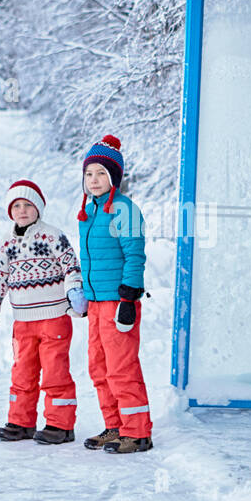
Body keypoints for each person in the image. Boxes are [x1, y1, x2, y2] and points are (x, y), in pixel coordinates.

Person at [0, 179, 88, 444]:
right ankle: (21, 422)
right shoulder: (6, 243)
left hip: (53, 318)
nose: (22, 210)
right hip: (23, 322)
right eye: (16, 206)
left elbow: (70, 266)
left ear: (38, 208)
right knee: (22, 373)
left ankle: (60, 425)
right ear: (10, 211)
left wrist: (74, 291)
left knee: (55, 373)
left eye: (28, 205)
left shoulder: (52, 235)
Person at [76, 135, 153, 453]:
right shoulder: (89, 212)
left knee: (122, 367)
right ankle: (115, 426)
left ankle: (137, 432)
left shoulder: (124, 209)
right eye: (89, 174)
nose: (94, 180)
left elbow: (135, 254)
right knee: (98, 367)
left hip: (118, 302)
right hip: (96, 302)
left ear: (114, 178)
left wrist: (128, 298)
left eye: (101, 174)